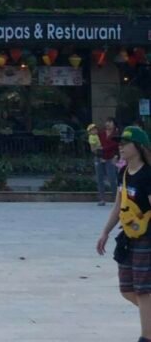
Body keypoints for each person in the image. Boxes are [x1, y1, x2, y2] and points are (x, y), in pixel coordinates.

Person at [96, 126, 151, 342]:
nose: (120, 146)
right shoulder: (123, 172)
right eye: (120, 142)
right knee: (127, 288)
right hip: (128, 236)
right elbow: (119, 206)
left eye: (125, 143)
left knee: (143, 289)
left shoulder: (148, 175)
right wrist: (105, 232)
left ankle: (146, 337)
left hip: (147, 237)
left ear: (137, 147)